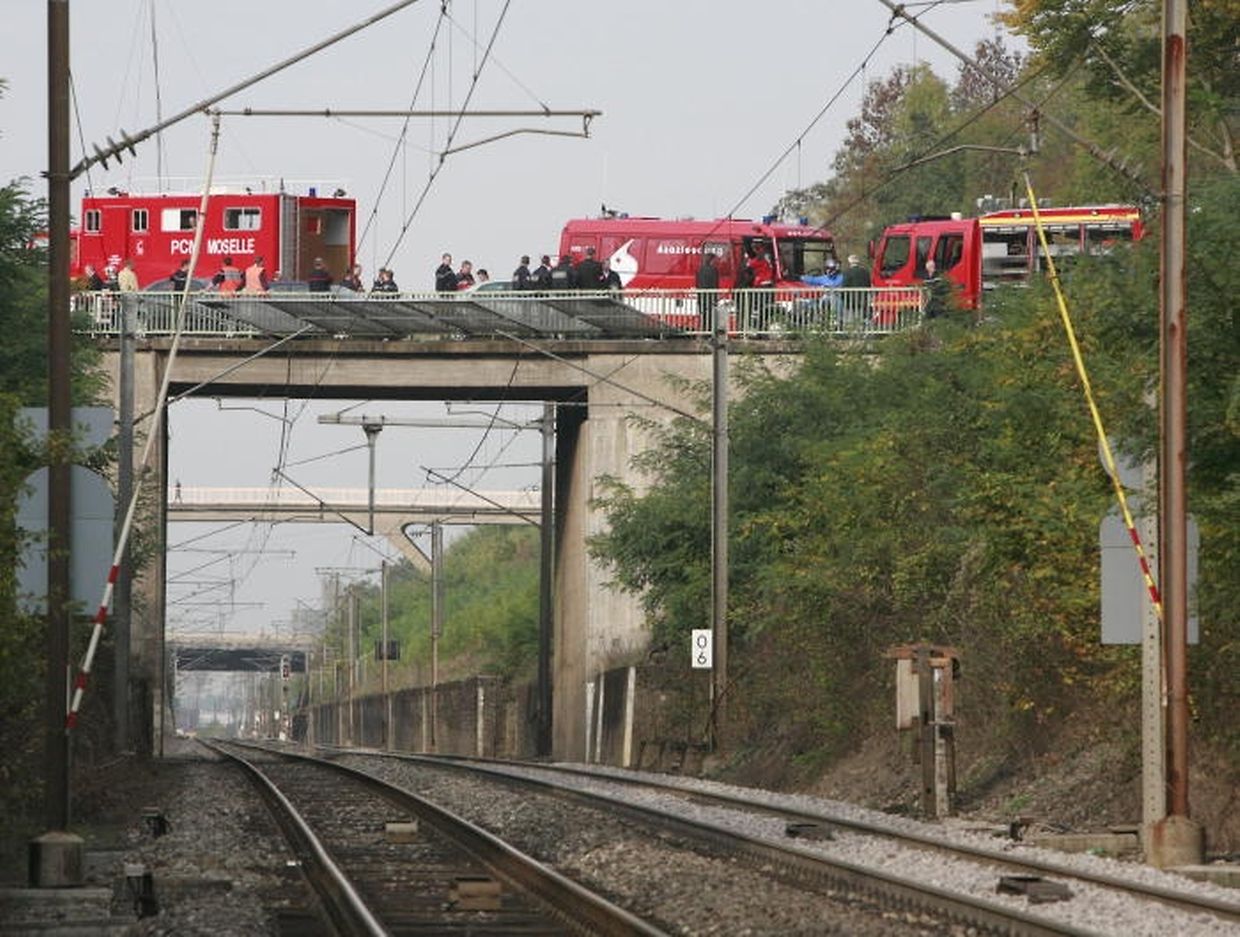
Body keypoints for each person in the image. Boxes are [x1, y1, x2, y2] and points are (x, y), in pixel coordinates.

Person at [695, 253, 719, 327]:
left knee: (704, 315)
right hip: (710, 296)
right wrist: (715, 297)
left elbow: (697, 283)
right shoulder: (714, 270)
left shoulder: (700, 269)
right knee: (710, 315)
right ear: (711, 260)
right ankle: (709, 331)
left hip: (701, 296)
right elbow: (715, 284)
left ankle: (705, 331)